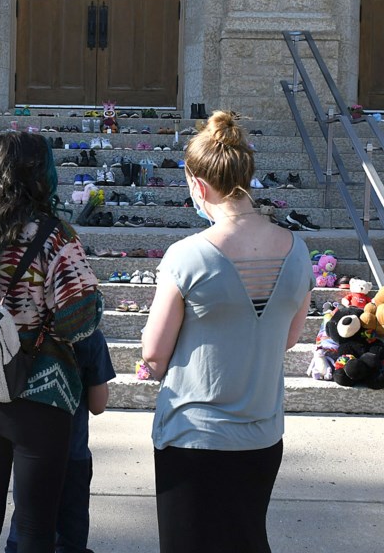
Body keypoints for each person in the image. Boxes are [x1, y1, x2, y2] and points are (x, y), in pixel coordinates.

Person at [140, 110, 314, 553]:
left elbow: (155, 352)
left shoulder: (187, 255)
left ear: (199, 185)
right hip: (261, 432)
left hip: (194, 434)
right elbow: (290, 336)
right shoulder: (298, 250)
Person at [0, 131, 104, 553]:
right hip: (40, 395)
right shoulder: (54, 235)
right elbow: (78, 318)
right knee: (35, 527)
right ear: (41, 174)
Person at [5, 328, 117, 553]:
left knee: (27, 523)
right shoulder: (88, 334)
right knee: (69, 535)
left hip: (29, 451)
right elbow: (98, 405)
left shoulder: (19, 327)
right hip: (71, 452)